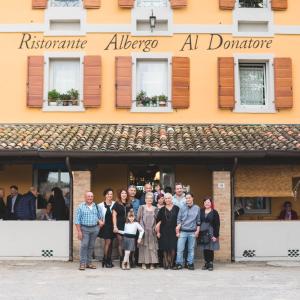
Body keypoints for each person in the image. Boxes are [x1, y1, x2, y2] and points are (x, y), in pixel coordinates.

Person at [75, 192, 103, 271]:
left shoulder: (97, 206)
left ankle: (89, 263)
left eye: (91, 196)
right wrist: (79, 231)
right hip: (84, 229)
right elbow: (77, 220)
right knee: (84, 245)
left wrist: (99, 224)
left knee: (91, 246)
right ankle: (82, 263)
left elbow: (100, 218)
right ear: (85, 197)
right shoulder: (81, 206)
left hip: (94, 229)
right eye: (88, 196)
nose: (90, 198)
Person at [175, 193, 200, 270]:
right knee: (180, 249)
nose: (188, 199)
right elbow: (178, 219)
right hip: (183, 231)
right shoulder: (182, 207)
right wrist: (178, 231)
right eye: (186, 198)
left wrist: (197, 231)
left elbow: (198, 220)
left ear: (193, 198)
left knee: (191, 249)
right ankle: (179, 263)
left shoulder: (197, 208)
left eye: (189, 198)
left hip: (192, 232)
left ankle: (190, 263)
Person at [156, 193, 179, 269]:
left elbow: (180, 220)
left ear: (171, 199)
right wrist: (158, 232)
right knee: (165, 247)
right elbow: (158, 221)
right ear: (164, 200)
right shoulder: (162, 209)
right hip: (164, 230)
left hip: (173, 230)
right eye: (166, 198)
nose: (167, 200)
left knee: (172, 247)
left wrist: (179, 231)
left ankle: (171, 263)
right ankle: (166, 262)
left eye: (169, 198)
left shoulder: (177, 208)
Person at [137, 192, 159, 270]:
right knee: (143, 247)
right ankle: (143, 263)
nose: (149, 200)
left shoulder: (155, 208)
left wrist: (156, 229)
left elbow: (158, 220)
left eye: (151, 198)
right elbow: (138, 219)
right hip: (143, 231)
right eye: (148, 198)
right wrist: (141, 229)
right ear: (145, 199)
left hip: (152, 231)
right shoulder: (141, 207)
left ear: (152, 200)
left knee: (152, 248)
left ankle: (152, 263)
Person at [112, 189, 133, 267]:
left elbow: (132, 215)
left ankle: (127, 260)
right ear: (120, 195)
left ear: (127, 195)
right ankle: (121, 260)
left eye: (125, 193)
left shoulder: (129, 204)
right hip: (119, 226)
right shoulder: (116, 204)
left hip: (128, 226)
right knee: (121, 243)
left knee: (127, 243)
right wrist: (115, 226)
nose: (124, 194)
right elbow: (114, 216)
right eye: (122, 193)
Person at [199, 197, 220, 271]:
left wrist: (216, 235)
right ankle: (206, 263)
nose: (207, 204)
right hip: (202, 231)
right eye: (205, 202)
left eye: (208, 202)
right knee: (205, 248)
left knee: (210, 248)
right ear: (203, 203)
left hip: (211, 231)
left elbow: (217, 224)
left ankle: (210, 263)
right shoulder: (201, 211)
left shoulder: (215, 212)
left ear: (211, 203)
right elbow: (198, 221)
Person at [98, 188, 115, 268]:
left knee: (110, 243)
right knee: (107, 243)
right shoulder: (100, 205)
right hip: (105, 226)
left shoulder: (115, 204)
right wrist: (100, 221)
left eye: (111, 194)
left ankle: (108, 260)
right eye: (108, 194)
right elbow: (97, 216)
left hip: (113, 226)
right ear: (105, 195)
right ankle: (105, 259)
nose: (110, 195)